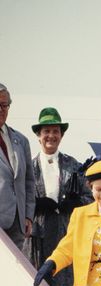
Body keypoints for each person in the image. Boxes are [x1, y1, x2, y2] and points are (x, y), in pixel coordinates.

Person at [24, 107, 92, 286]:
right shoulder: (30, 166)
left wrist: (75, 202)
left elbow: (91, 199)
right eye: (46, 131)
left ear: (61, 135)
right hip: (37, 239)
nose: (51, 136)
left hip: (65, 236)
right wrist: (34, 205)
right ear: (38, 135)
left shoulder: (74, 166)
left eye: (55, 131)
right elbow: (19, 198)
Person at [0, 83, 35, 250]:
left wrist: (28, 215)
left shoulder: (21, 140)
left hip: (17, 223)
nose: (1, 109)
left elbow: (29, 181)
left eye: (4, 105)